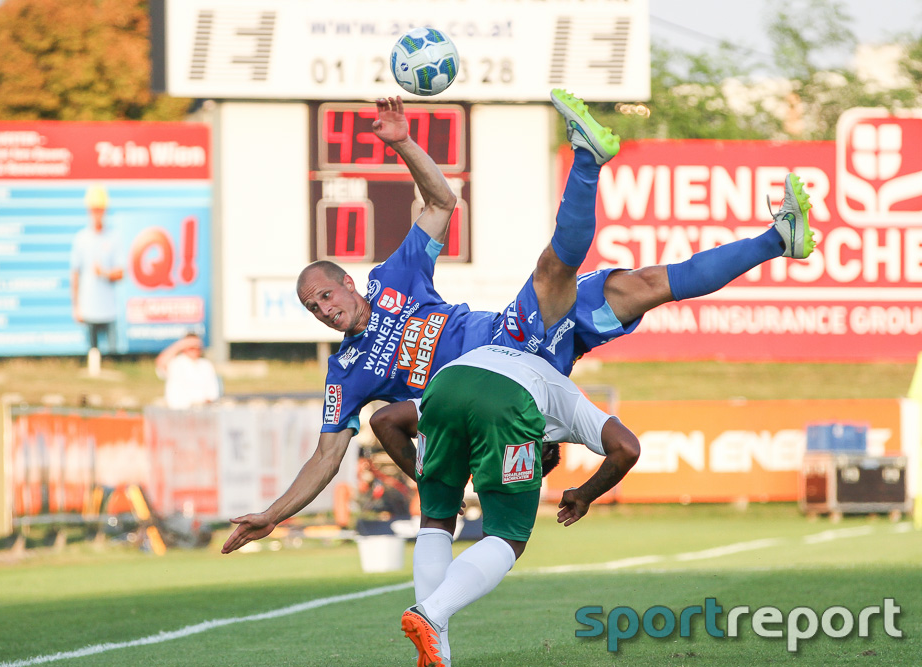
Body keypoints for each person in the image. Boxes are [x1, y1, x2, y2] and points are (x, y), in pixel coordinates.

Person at [221, 90, 813, 553]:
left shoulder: (394, 278)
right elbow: (326, 457)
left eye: (326, 294)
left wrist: (403, 144)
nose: (325, 310)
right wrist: (273, 515)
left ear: (348, 281)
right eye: (314, 308)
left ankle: (777, 239)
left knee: (647, 286)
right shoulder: (344, 374)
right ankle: (587, 158)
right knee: (554, 267)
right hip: (499, 369)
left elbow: (442, 203)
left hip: (520, 342)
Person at [370, 344, 640, 666]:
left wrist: (426, 479)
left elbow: (383, 419)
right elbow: (628, 447)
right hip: (510, 399)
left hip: (445, 383)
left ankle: (436, 651)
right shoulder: (569, 402)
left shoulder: (498, 367)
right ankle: (431, 612)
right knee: (508, 536)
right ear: (542, 448)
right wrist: (584, 495)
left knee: (436, 519)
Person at [70, 184, 124, 354]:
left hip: (109, 311)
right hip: (89, 309)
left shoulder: (114, 237)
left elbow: (121, 273)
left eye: (100, 209)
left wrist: (105, 273)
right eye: (94, 209)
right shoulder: (81, 239)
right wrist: (76, 306)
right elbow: (75, 275)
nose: (97, 214)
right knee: (92, 357)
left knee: (113, 357)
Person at [155, 333, 222, 409]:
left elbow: (213, 392)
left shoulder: (206, 364)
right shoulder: (175, 363)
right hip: (180, 410)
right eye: (191, 347)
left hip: (202, 410)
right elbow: (161, 362)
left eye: (198, 346)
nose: (195, 349)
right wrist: (180, 345)